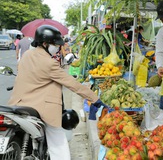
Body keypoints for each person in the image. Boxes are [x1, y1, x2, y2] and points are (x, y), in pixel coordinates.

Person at [8, 25, 107, 160]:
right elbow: (73, 84)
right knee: (58, 142)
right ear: (44, 44)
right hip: (41, 108)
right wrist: (94, 98)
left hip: (17, 104)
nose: (57, 48)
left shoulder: (26, 55)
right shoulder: (49, 63)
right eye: (55, 44)